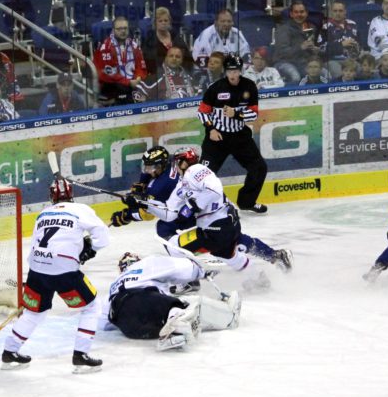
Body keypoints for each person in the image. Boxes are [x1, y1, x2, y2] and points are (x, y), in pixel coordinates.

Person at [1, 178, 109, 373]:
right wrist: (89, 249)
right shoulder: (81, 209)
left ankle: (10, 350)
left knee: (34, 312)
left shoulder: (43, 213)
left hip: (37, 269)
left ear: (51, 196)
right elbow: (102, 235)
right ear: (72, 194)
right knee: (92, 307)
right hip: (63, 270)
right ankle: (80, 355)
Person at [144, 147, 293, 279]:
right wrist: (144, 204)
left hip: (217, 226)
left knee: (174, 246)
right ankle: (263, 271)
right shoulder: (181, 185)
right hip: (224, 222)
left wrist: (191, 206)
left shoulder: (195, 170)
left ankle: (189, 281)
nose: (175, 167)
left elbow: (215, 189)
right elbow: (169, 213)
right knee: (226, 251)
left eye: (177, 162)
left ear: (184, 162)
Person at [105, 253, 242, 351]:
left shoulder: (114, 285)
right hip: (142, 301)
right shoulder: (146, 264)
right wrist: (200, 271)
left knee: (169, 307)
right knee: (186, 305)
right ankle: (227, 317)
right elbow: (181, 267)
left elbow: (103, 321)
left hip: (128, 327)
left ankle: (171, 332)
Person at [197, 53, 268, 214]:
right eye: (230, 71)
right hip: (217, 138)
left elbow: (254, 114)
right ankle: (199, 207)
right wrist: (211, 129)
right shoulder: (215, 88)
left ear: (240, 71)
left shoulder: (249, 86)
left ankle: (247, 202)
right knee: (202, 174)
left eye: (236, 71)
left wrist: (236, 114)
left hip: (239, 137)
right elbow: (202, 112)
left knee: (259, 168)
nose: (233, 75)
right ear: (225, 71)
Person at [110, 146, 195, 240]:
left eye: (149, 167)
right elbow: (146, 176)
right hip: (190, 200)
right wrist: (142, 184)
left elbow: (148, 213)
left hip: (190, 211)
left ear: (159, 166)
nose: (146, 170)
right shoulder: (170, 161)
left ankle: (186, 247)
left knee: (163, 227)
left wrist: (127, 215)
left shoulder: (163, 185)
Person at [93, 16, 147, 106]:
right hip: (111, 87)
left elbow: (141, 67)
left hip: (132, 85)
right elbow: (108, 74)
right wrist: (129, 82)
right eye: (119, 29)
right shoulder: (106, 47)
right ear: (113, 30)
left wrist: (138, 78)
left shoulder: (134, 46)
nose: (123, 31)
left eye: (125, 28)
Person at [273, 0, 320, 84]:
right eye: (296, 12)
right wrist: (301, 47)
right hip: (284, 62)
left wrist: (315, 50)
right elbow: (282, 52)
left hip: (304, 62)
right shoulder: (284, 29)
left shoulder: (312, 27)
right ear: (291, 14)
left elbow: (314, 49)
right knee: (295, 77)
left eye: (302, 12)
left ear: (306, 13)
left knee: (324, 73)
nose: (299, 15)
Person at [140, 6, 194, 77]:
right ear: (155, 23)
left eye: (166, 20)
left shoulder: (177, 38)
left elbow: (188, 61)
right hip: (158, 78)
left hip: (179, 76)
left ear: (169, 22)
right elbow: (147, 64)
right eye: (160, 21)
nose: (163, 23)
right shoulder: (149, 42)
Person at [319, 0, 360, 79]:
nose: (338, 13)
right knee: (341, 75)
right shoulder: (325, 27)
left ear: (345, 12)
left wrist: (356, 47)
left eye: (340, 11)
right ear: (331, 12)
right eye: (335, 11)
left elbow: (359, 43)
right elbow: (322, 50)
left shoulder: (352, 24)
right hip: (332, 60)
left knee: (362, 71)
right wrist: (341, 45)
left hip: (350, 60)